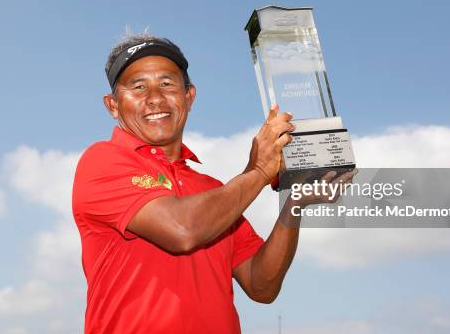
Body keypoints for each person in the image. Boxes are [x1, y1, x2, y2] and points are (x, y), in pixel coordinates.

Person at [72, 34, 355, 333]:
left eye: (167, 83)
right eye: (138, 86)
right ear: (113, 105)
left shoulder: (212, 190)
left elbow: (261, 286)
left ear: (189, 97)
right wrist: (259, 170)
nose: (155, 97)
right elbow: (182, 229)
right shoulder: (101, 160)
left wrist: (293, 203)